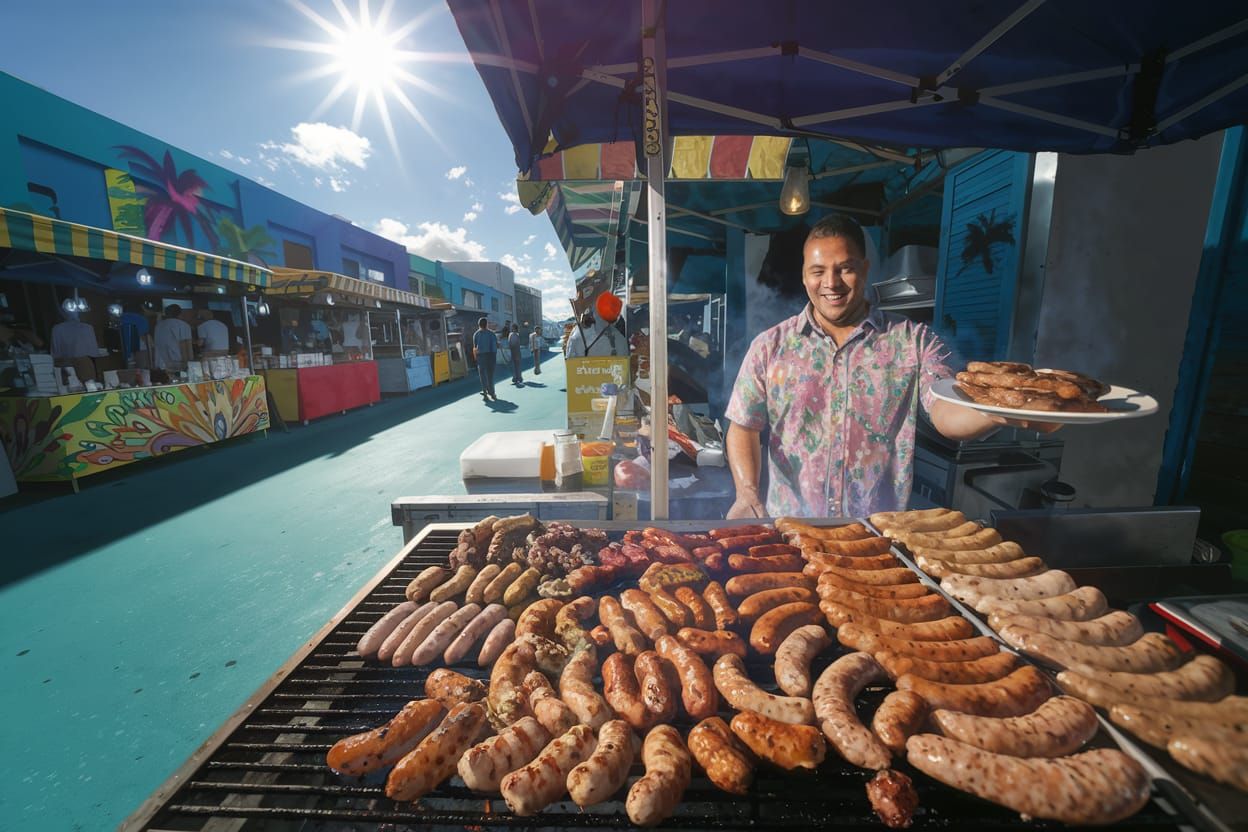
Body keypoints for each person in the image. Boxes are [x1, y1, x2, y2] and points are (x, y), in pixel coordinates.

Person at [724, 213, 1055, 520]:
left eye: (845, 268)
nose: (831, 282)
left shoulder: (913, 341)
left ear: (866, 269)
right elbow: (744, 425)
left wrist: (997, 410)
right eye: (818, 271)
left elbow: (945, 412)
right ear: (804, 275)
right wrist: (747, 493)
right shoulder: (769, 347)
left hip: (877, 536)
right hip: (792, 530)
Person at [50, 304, 100, 382]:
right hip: (71, 365)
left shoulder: (57, 329)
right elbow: (94, 352)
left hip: (69, 364)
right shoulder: (57, 329)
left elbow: (55, 353)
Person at [154, 303, 193, 377]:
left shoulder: (158, 326)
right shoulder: (183, 325)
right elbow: (186, 346)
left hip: (160, 366)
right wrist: (189, 365)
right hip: (178, 365)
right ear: (180, 314)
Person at [471, 316, 498, 401]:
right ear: (486, 324)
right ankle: (492, 393)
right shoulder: (492, 334)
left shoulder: (476, 334)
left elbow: (474, 348)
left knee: (482, 375)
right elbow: (495, 347)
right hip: (491, 355)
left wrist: (476, 359)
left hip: (481, 357)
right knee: (490, 375)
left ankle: (485, 392)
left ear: (479, 325)